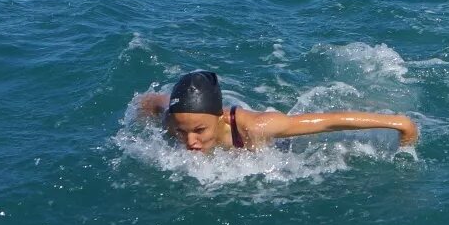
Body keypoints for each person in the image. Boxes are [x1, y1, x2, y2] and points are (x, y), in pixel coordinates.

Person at [133, 70, 418, 153]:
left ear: (219, 117)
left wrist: (399, 123)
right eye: (182, 132)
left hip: (281, 145)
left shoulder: (257, 127)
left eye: (199, 131)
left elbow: (330, 122)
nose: (190, 142)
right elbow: (148, 101)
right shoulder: (172, 118)